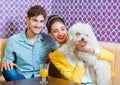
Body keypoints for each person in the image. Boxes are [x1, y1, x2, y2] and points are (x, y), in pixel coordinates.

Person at [46, 15, 114, 85]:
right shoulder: (56, 57)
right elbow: (75, 80)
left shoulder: (84, 40)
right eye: (55, 31)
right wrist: (81, 59)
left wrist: (88, 49)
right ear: (51, 35)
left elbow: (111, 57)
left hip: (98, 79)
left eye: (62, 29)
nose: (60, 33)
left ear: (66, 29)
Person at [1, 5, 59, 81]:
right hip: (21, 77)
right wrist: (7, 64)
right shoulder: (14, 40)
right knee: (7, 71)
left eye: (41, 21)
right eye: (35, 20)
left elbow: (62, 53)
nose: (38, 25)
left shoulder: (49, 40)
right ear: (27, 20)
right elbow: (6, 62)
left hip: (41, 77)